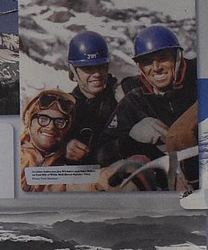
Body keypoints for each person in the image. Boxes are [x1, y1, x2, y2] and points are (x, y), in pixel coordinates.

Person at [104, 25, 199, 189]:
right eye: (147, 62)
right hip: (167, 181)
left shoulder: (200, 77)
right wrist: (131, 136)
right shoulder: (134, 100)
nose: (156, 68)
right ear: (140, 67)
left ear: (177, 57)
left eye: (163, 58)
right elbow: (102, 151)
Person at [63, 30, 120, 166]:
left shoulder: (122, 97)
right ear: (73, 72)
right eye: (88, 68)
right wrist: (63, 146)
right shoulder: (65, 107)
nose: (97, 74)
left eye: (101, 67)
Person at [19, 88, 76, 191]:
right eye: (43, 119)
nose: (51, 127)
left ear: (67, 128)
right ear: (29, 121)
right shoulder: (12, 156)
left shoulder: (67, 167)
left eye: (59, 122)